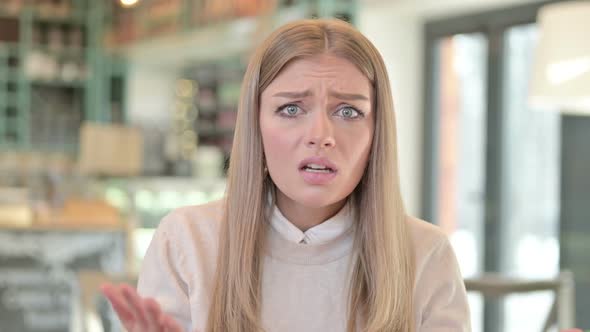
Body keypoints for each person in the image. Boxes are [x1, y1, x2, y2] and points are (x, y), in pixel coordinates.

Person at [101, 18, 471, 332]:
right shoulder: (187, 242)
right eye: (291, 108)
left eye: (348, 112)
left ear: (378, 132)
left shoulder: (426, 254)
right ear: (255, 124)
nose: (320, 135)